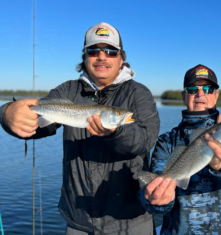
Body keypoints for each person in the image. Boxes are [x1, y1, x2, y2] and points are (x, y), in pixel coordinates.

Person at [0, 22, 160, 235]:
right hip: (78, 220)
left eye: (111, 51)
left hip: (130, 219)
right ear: (85, 58)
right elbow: (35, 125)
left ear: (121, 58)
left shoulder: (139, 94)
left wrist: (116, 131)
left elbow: (144, 140)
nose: (102, 56)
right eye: (94, 51)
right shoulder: (66, 90)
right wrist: (7, 113)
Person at [139, 64, 221, 234]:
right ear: (184, 96)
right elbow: (156, 208)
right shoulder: (166, 141)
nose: (200, 94)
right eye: (193, 89)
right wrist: (158, 201)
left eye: (208, 89)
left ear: (216, 95)